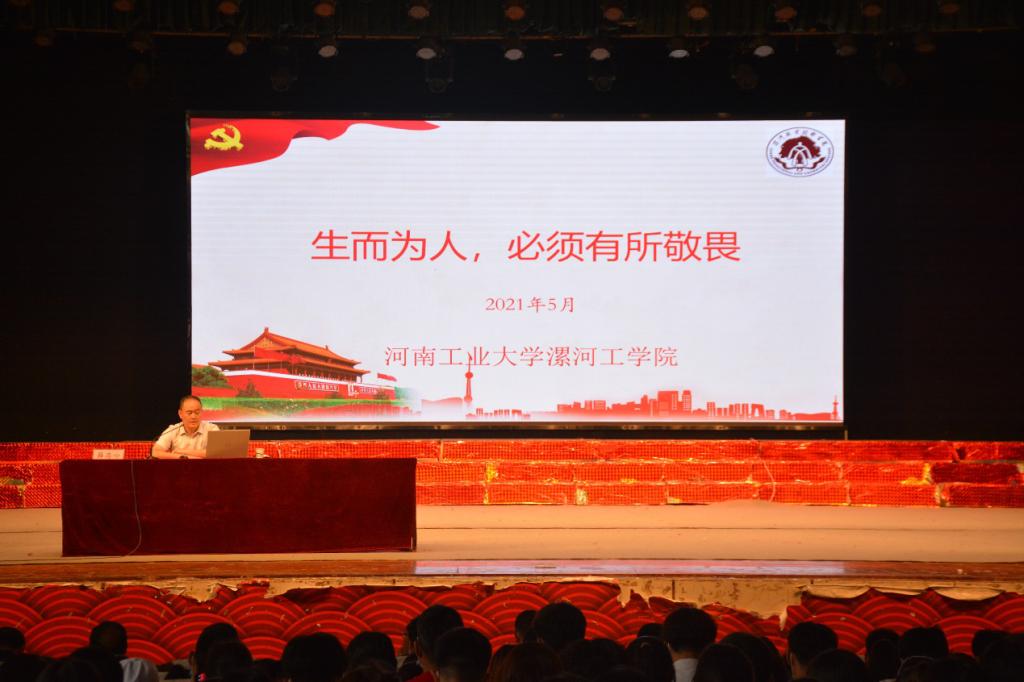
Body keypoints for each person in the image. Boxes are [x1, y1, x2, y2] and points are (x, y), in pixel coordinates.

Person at [152, 396, 219, 459]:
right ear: (180, 414)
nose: (193, 416)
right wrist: (184, 457)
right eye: (189, 413)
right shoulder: (173, 430)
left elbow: (218, 453)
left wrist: (182, 451)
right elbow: (155, 452)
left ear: (201, 412)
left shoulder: (212, 429)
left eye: (197, 412)